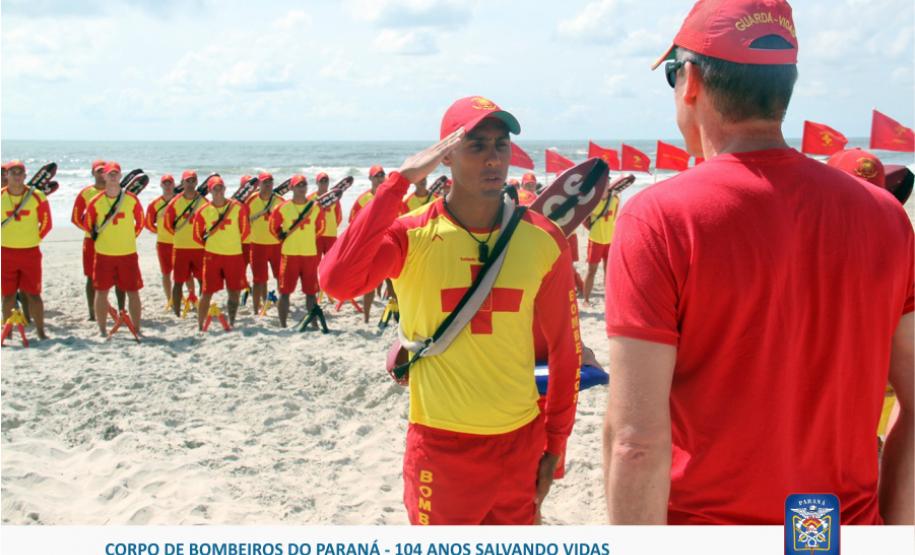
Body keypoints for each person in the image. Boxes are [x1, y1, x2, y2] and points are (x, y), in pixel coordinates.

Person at [602, 0, 913, 525]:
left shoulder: (661, 218)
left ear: (692, 82)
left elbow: (636, 443)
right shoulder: (885, 216)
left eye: (673, 77)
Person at [320, 96, 581, 525]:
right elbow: (337, 282)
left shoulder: (543, 237)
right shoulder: (411, 236)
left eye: (501, 145)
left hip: (521, 443)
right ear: (445, 156)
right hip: (441, 449)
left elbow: (565, 350)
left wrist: (556, 445)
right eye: (476, 146)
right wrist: (399, 183)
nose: (493, 158)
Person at [84, 162, 144, 337]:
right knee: (101, 292)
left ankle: (137, 327)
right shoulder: (96, 201)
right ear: (103, 176)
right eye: (109, 173)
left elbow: (140, 222)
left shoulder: (131, 199)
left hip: (127, 253)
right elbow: (88, 225)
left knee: (133, 291)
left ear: (120, 176)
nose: (112, 176)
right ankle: (102, 330)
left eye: (115, 173)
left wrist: (129, 238)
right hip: (104, 254)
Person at [1, 160, 52, 339]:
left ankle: (40, 332)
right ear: (6, 176)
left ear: (25, 176)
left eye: (19, 173)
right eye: (12, 173)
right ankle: (7, 333)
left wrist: (34, 238)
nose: (16, 176)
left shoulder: (36, 195)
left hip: (30, 252)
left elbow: (46, 223)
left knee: (34, 295)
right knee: (7, 296)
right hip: (6, 252)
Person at [192, 175, 250, 330]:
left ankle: (232, 321)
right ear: (210, 191)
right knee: (206, 292)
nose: (218, 191)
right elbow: (196, 235)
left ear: (225, 189)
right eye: (214, 189)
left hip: (234, 255)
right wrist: (212, 245)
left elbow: (245, 231)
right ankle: (200, 325)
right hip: (212, 256)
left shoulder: (237, 207)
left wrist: (232, 243)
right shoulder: (204, 211)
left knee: (234, 291)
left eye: (220, 188)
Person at [269, 175, 324, 327]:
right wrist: (285, 238)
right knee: (284, 292)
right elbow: (273, 228)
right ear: (292, 188)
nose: (302, 188)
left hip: (309, 254)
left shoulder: (315, 207)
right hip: (290, 254)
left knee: (311, 293)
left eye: (304, 185)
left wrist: (306, 239)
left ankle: (313, 324)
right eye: (298, 185)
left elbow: (320, 228)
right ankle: (283, 325)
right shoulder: (282, 207)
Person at [72, 159, 124, 320]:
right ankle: (92, 313)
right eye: (98, 171)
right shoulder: (86, 193)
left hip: (114, 241)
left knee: (118, 276)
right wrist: (91, 230)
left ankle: (122, 310)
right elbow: (75, 217)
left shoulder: (120, 193)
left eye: (104, 171)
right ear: (93, 173)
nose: (102, 174)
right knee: (91, 277)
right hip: (91, 241)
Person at [348, 164, 386, 323]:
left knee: (391, 281)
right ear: (370, 178)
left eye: (382, 175)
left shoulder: (389, 195)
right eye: (376, 175)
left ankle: (391, 315)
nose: (379, 178)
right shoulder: (363, 199)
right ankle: (367, 317)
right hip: (369, 244)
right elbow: (352, 221)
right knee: (369, 282)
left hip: (386, 241)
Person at [163, 170, 205, 317]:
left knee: (202, 280)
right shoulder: (175, 202)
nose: (190, 184)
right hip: (180, 247)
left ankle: (202, 307)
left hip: (199, 247)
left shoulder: (203, 201)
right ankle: (176, 312)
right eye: (187, 181)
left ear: (197, 182)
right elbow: (168, 224)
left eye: (193, 181)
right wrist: (180, 236)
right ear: (182, 183)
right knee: (178, 281)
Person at [245, 172, 282, 314]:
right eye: (265, 182)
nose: (268, 185)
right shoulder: (251, 200)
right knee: (259, 279)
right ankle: (256, 309)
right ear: (259, 185)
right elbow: (242, 218)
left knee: (280, 277)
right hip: (257, 245)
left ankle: (283, 305)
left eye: (270, 182)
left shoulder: (279, 200)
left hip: (276, 245)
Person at [144, 174, 178, 307]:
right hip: (163, 243)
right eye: (165, 183)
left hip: (180, 243)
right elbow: (148, 223)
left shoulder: (180, 201)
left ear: (174, 185)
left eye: (170, 183)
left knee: (185, 274)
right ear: (161, 185)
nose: (168, 186)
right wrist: (159, 230)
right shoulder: (155, 204)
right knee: (166, 273)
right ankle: (170, 299)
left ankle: (190, 299)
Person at [583, 188, 620, 304]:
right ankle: (586, 300)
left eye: (606, 184)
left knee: (608, 270)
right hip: (595, 240)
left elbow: (614, 218)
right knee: (591, 271)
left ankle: (608, 296)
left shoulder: (615, 199)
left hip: (609, 240)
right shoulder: (593, 201)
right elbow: (584, 219)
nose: (604, 187)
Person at [310, 172, 342, 262]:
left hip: (331, 235)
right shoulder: (311, 198)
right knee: (315, 263)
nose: (324, 183)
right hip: (316, 236)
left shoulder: (334, 197)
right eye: (321, 181)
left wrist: (331, 228)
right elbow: (307, 217)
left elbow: (338, 217)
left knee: (331, 262)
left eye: (326, 181)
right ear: (317, 183)